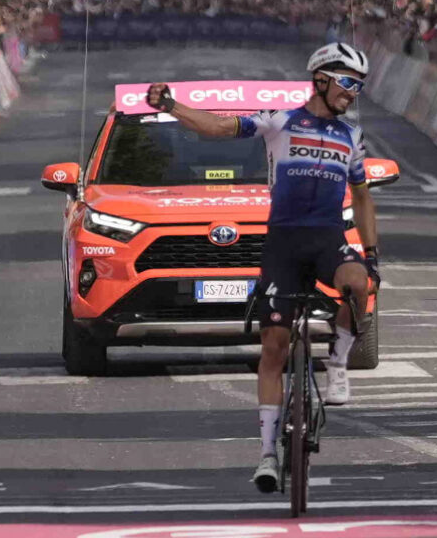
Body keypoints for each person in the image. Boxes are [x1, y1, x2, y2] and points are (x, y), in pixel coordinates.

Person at [144, 42, 380, 493]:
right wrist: (172, 105)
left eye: (359, 86)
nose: (353, 92)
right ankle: (268, 455)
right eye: (347, 82)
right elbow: (219, 127)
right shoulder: (280, 120)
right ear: (321, 80)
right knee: (273, 348)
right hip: (283, 245)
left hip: (327, 240)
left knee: (358, 283)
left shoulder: (352, 136)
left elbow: (364, 198)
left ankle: (337, 363)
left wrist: (371, 254)